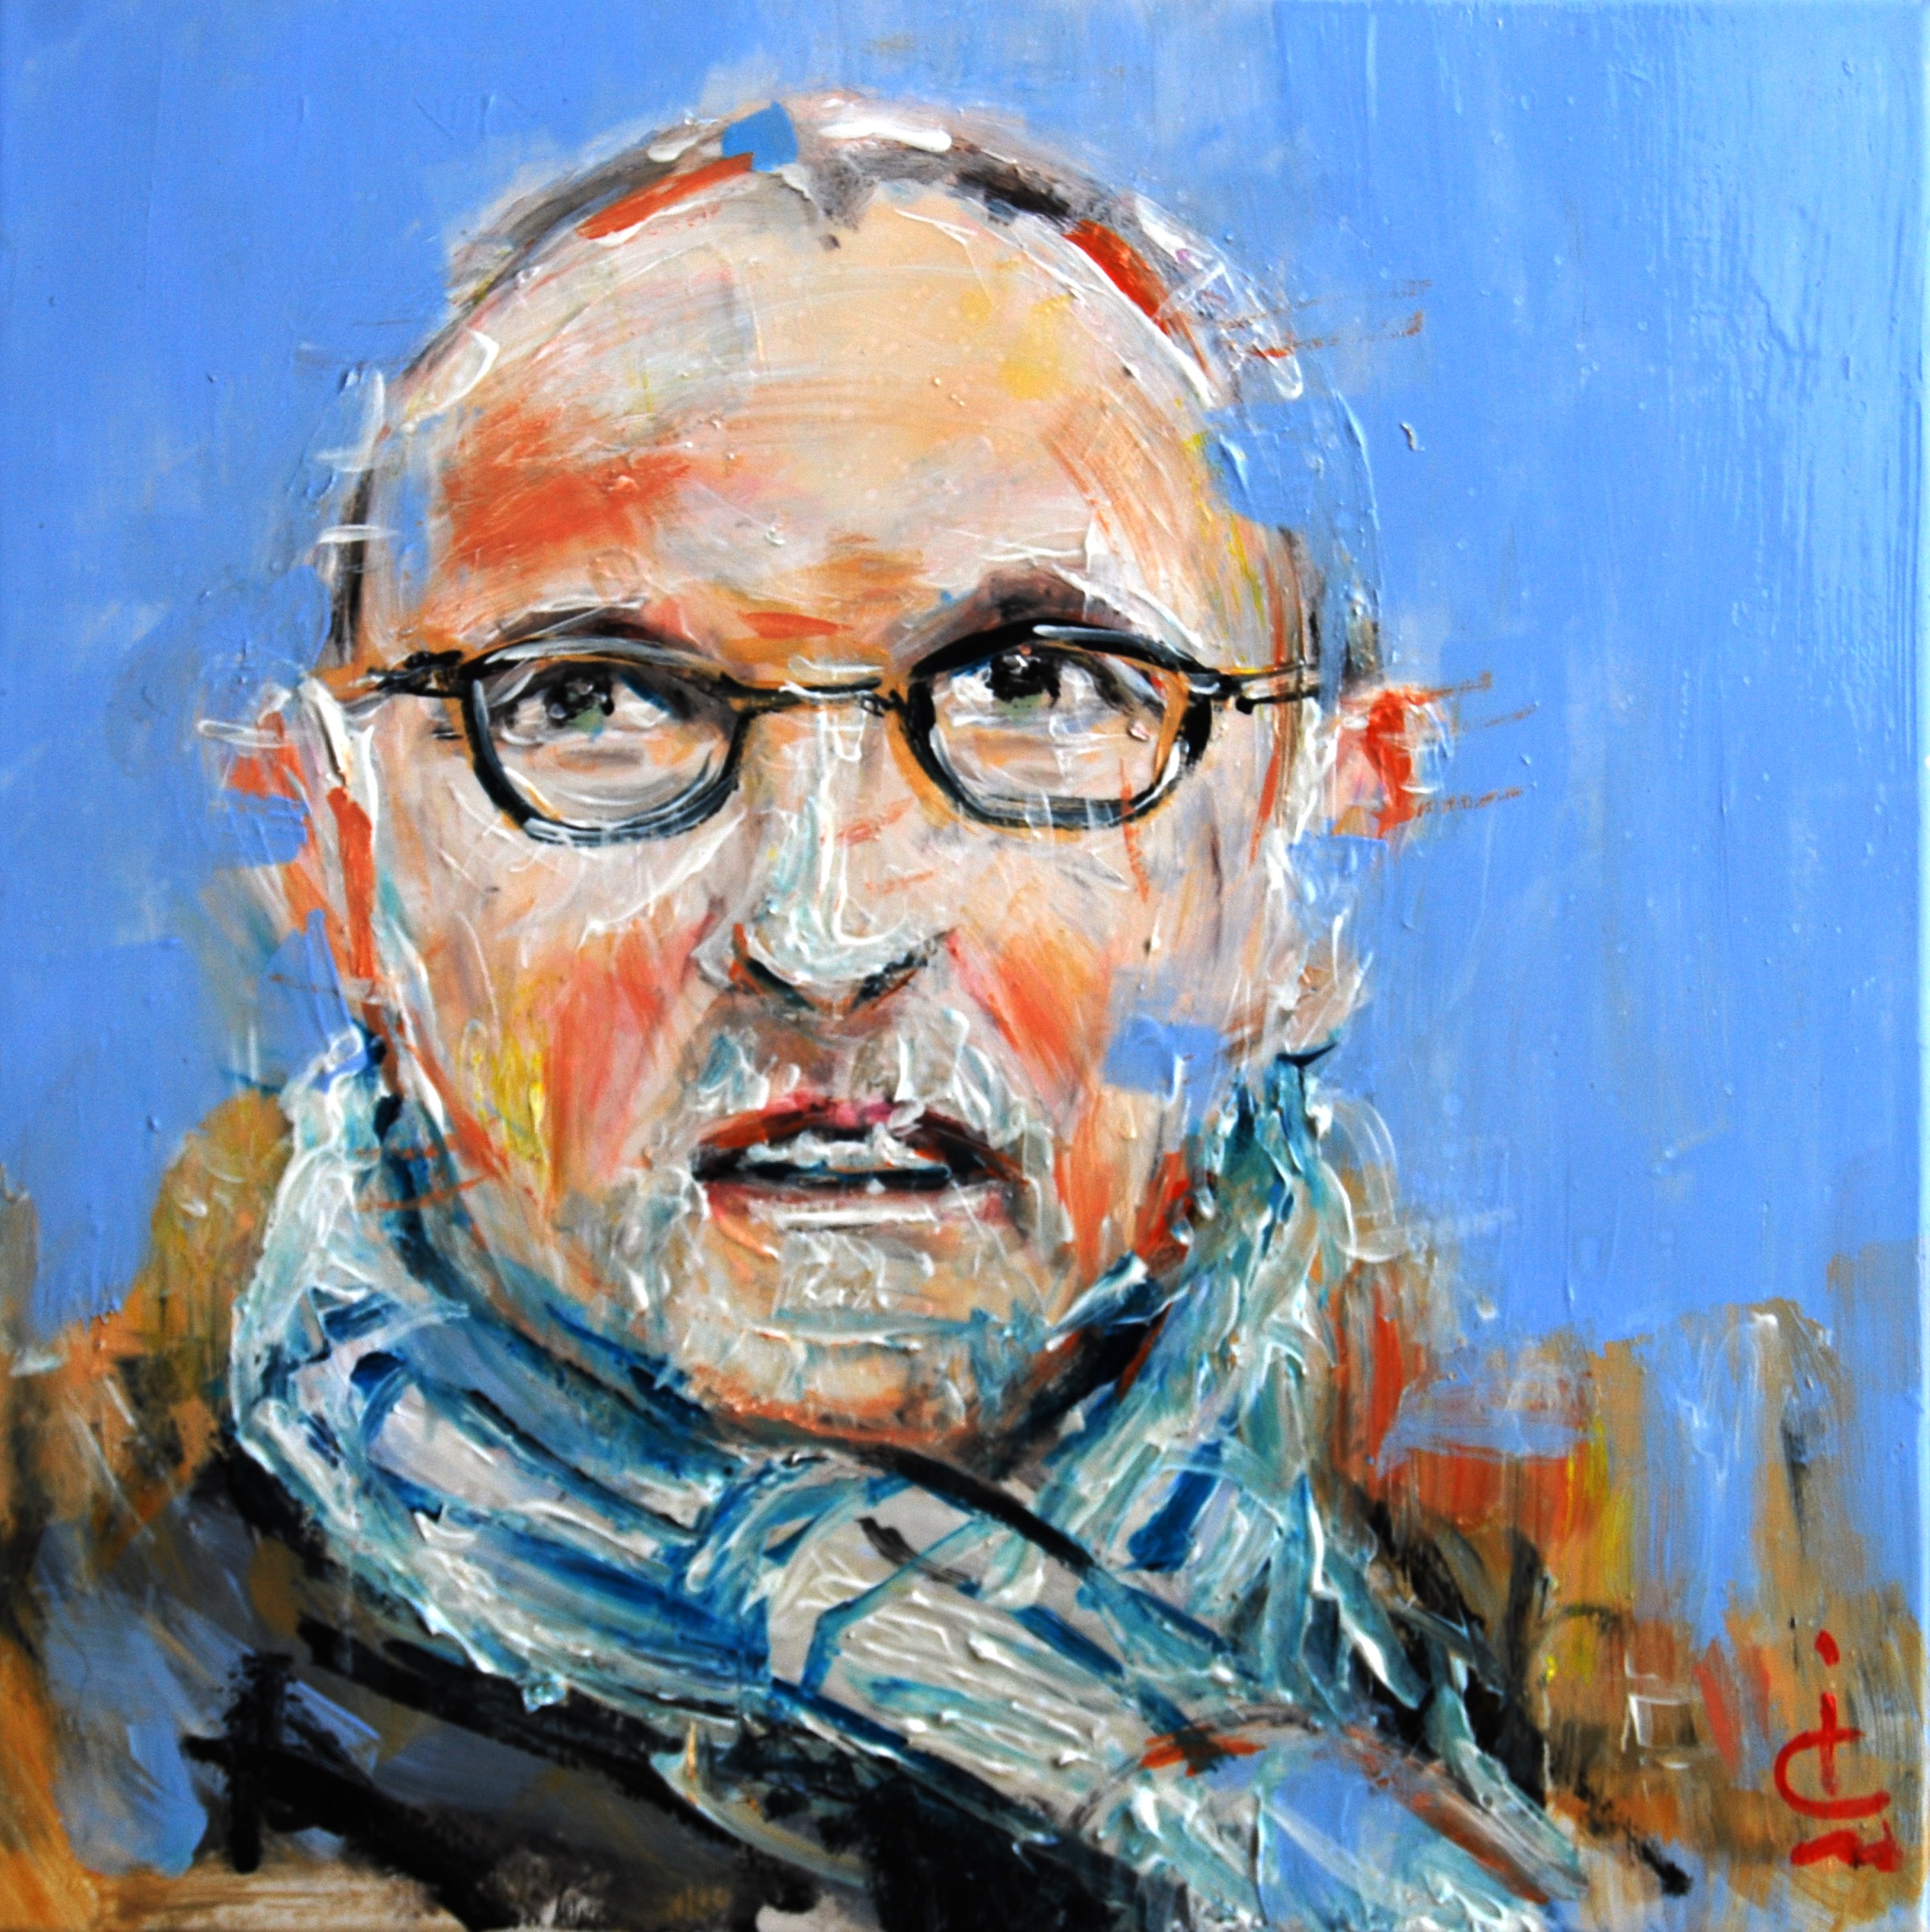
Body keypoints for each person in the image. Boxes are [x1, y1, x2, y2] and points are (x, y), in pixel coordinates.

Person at [2, 95, 1617, 1932]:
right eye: (596, 700)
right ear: (340, 852)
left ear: (1309, 847)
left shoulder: (1589, 1673)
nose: (824, 930)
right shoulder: (75, 1751)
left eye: (1035, 684)